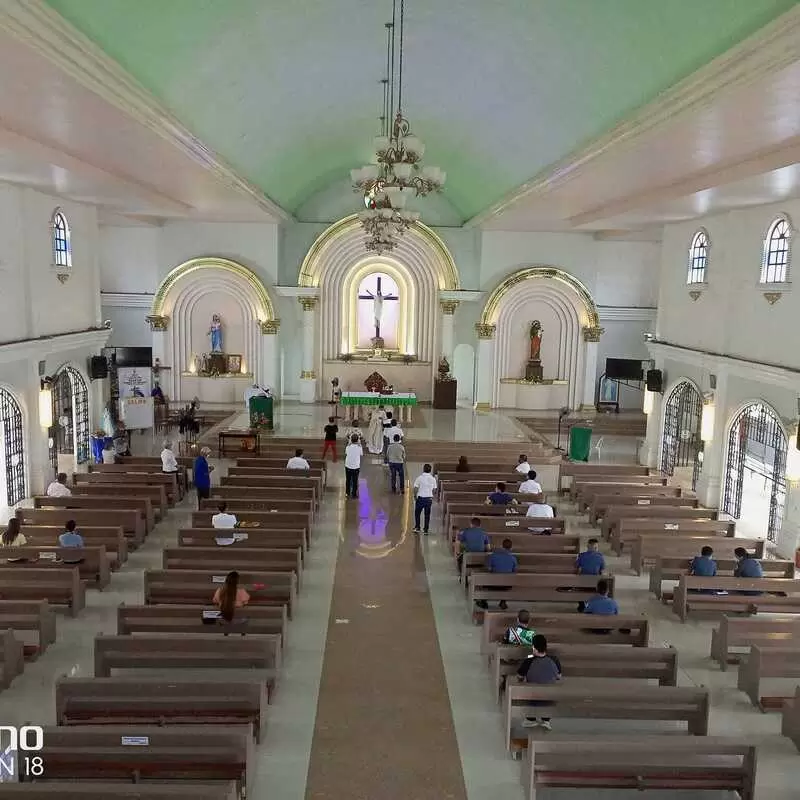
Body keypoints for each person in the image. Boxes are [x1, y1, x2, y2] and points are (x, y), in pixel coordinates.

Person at [516, 634, 561, 730]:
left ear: (534, 648)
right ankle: (546, 720)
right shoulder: (554, 659)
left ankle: (530, 719)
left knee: (526, 687)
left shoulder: (529, 660)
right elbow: (559, 676)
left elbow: (519, 676)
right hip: (549, 699)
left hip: (533, 699)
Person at [487, 537, 518, 610]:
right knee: (509, 579)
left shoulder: (493, 555)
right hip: (506, 585)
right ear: (511, 548)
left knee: (483, 577)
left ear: (501, 546)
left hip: (493, 584)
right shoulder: (513, 558)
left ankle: (482, 600)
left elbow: (488, 568)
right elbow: (514, 571)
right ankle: (503, 601)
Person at [412, 463, 437, 534]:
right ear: (430, 470)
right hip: (428, 499)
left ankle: (417, 527)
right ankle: (426, 529)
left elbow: (415, 488)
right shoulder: (433, 479)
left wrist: (415, 496)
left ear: (423, 469)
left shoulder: (419, 478)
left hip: (420, 499)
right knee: (427, 515)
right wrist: (432, 496)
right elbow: (434, 490)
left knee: (417, 513)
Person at [344, 434, 363, 499]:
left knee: (348, 480)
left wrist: (349, 444)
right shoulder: (359, 447)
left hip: (348, 465)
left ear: (351, 440)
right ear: (357, 440)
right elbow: (361, 454)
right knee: (355, 480)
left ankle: (347, 493)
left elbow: (346, 453)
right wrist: (359, 445)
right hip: (356, 466)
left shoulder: (348, 447)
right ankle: (354, 494)